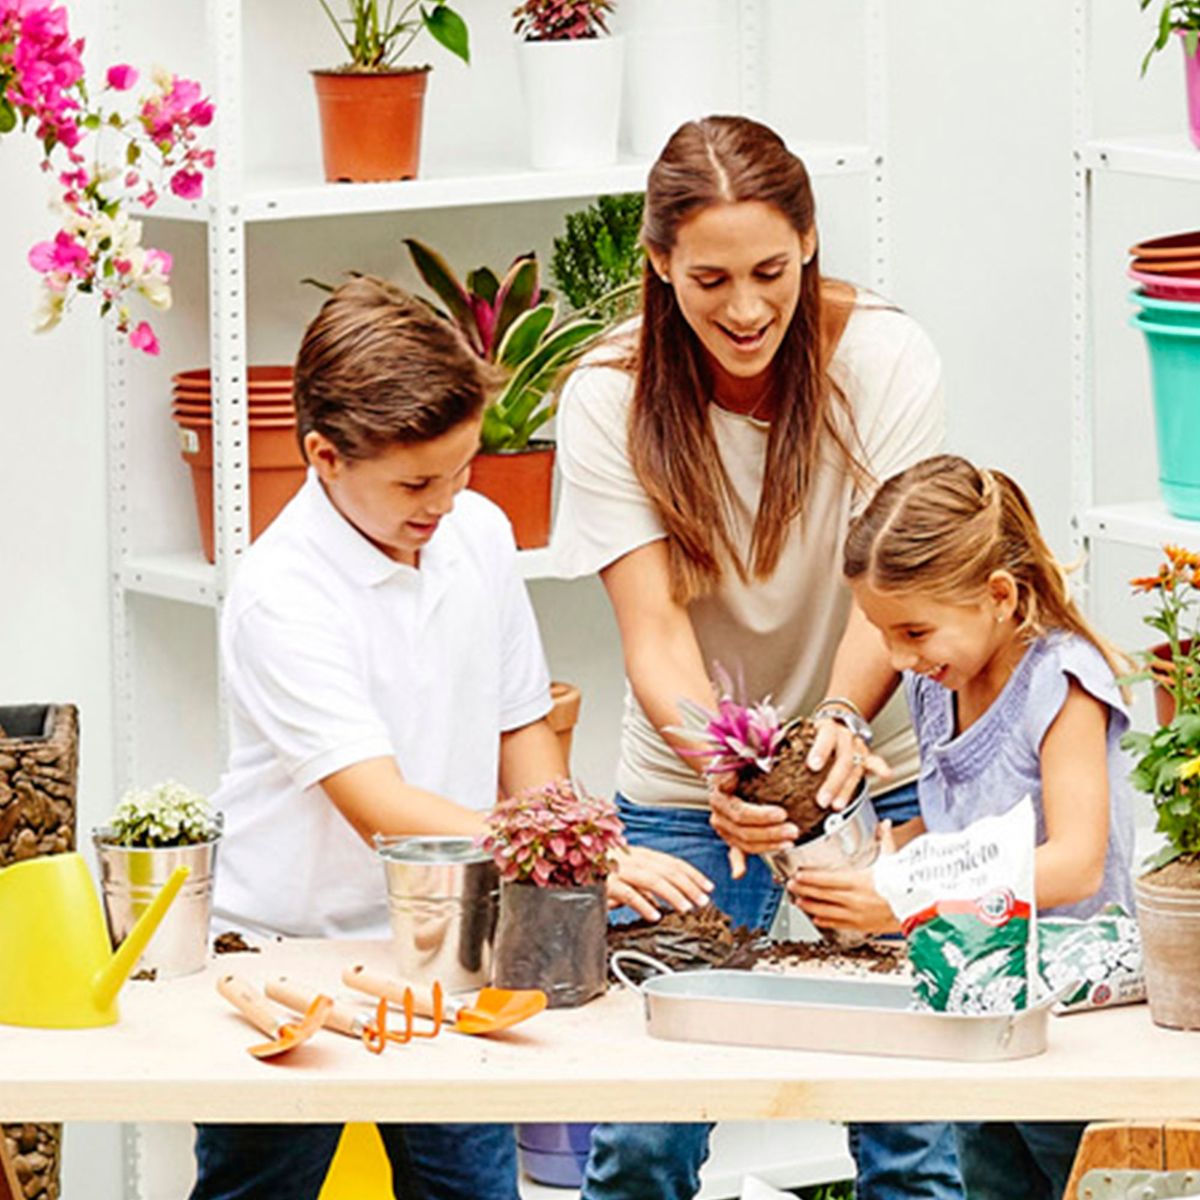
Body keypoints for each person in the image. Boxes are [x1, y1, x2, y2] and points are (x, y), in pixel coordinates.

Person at [194, 276, 711, 1200]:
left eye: (463, 466)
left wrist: (576, 843)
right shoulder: (283, 592)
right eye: (416, 482)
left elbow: (523, 731)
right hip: (289, 954)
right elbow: (383, 808)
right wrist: (569, 853)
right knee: (260, 1190)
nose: (445, 498)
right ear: (322, 457)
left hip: (449, 952)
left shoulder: (477, 532)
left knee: (471, 1189)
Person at [551, 115, 958, 1200]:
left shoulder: (882, 358)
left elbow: (898, 587)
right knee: (647, 1133)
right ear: (658, 265)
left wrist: (835, 719)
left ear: (811, 244)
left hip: (877, 760)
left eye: (771, 271)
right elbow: (653, 627)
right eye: (710, 278)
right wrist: (729, 769)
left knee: (913, 1123)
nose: (744, 309)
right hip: (692, 787)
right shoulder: (607, 395)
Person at [787, 453, 1136, 1200]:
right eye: (884, 634)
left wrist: (910, 896)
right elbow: (969, 835)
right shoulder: (938, 682)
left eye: (914, 631)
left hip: (1073, 1028)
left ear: (1001, 595)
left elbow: (1076, 863)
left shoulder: (1061, 684)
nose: (898, 657)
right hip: (981, 1004)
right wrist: (874, 873)